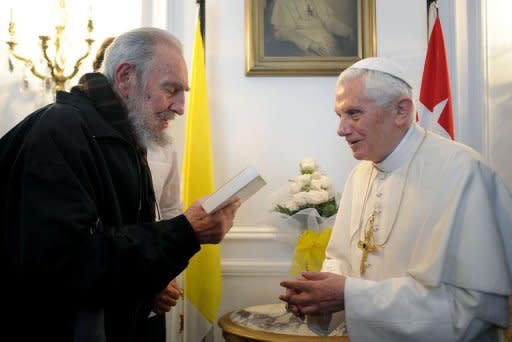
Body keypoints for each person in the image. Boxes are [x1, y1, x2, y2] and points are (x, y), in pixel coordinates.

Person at [0, 27, 241, 341]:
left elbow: (118, 247)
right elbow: (71, 266)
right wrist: (185, 231)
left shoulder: (123, 137)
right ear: (126, 77)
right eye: (171, 89)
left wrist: (149, 286)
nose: (181, 106)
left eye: (184, 93)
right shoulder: (59, 129)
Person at [279, 57, 512, 341]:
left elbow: (473, 310)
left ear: (401, 110)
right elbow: (339, 260)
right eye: (339, 115)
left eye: (353, 113)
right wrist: (317, 296)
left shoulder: (464, 173)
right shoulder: (360, 175)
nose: (341, 129)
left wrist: (348, 295)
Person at [268, 0, 355, 57]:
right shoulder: (282, 2)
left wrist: (346, 31)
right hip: (304, 49)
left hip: (329, 44)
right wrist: (310, 44)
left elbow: (329, 21)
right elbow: (285, 32)